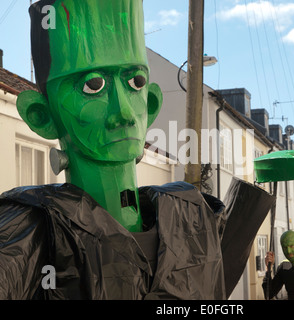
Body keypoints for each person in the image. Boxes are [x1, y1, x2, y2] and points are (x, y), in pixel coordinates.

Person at [0, 0, 275, 299]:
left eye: (135, 81)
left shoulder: (190, 217)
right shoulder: (30, 230)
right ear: (42, 116)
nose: (125, 113)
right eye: (92, 86)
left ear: (151, 104)